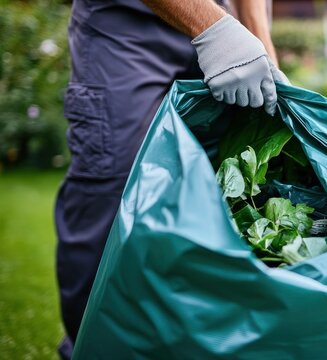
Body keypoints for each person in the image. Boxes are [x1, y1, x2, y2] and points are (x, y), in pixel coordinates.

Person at [54, 0, 285, 358]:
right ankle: (91, 348)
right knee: (113, 194)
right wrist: (215, 30)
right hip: (126, 26)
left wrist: (258, 44)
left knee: (222, 191)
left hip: (224, 21)